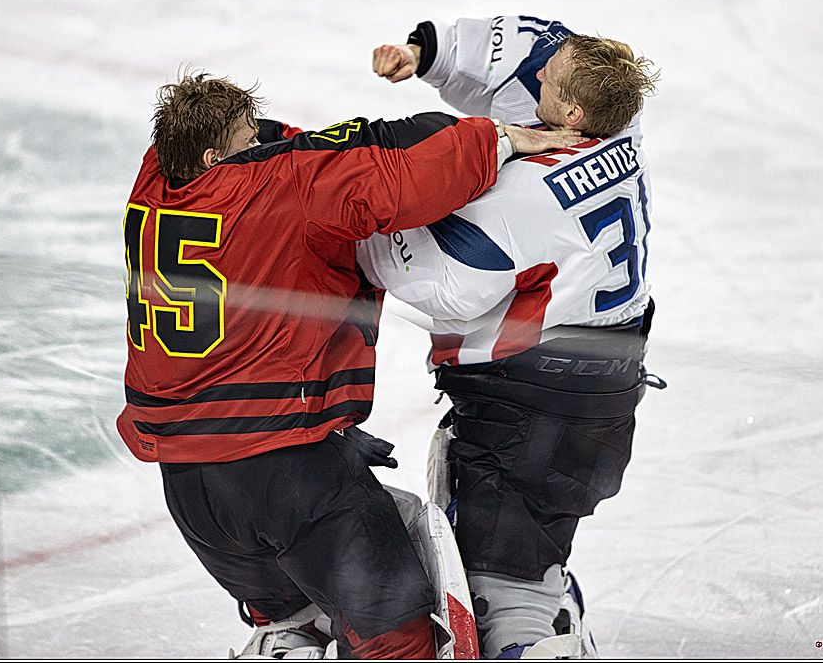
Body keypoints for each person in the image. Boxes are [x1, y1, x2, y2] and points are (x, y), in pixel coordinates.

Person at [115, 70, 580, 659]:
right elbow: (404, 184)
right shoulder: (287, 187)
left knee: (294, 614)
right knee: (398, 640)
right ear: (216, 156)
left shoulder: (154, 176)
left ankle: (288, 635)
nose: (261, 144)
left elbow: (291, 148)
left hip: (189, 486)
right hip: (286, 471)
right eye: (247, 140)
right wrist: (498, 138)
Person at [360, 16, 661, 659]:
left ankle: (530, 627)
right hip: (609, 396)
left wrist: (351, 226)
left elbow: (446, 286)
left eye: (554, 74)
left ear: (573, 112)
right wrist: (431, 53)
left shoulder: (524, 195)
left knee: (505, 596)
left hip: (528, 411)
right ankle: (548, 598)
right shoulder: (622, 128)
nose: (542, 68)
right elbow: (533, 43)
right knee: (537, 543)